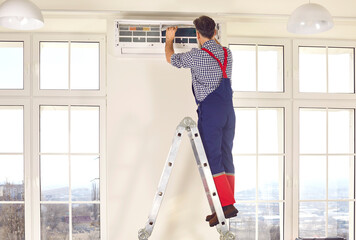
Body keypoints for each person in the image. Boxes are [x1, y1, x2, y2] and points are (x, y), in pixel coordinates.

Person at [165, 15, 238, 227]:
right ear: (214, 33)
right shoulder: (227, 53)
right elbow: (216, 46)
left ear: (198, 35)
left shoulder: (197, 56)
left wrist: (169, 40)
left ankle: (224, 205)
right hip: (228, 111)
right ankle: (225, 206)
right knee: (226, 156)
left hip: (211, 111)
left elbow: (171, 59)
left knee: (212, 159)